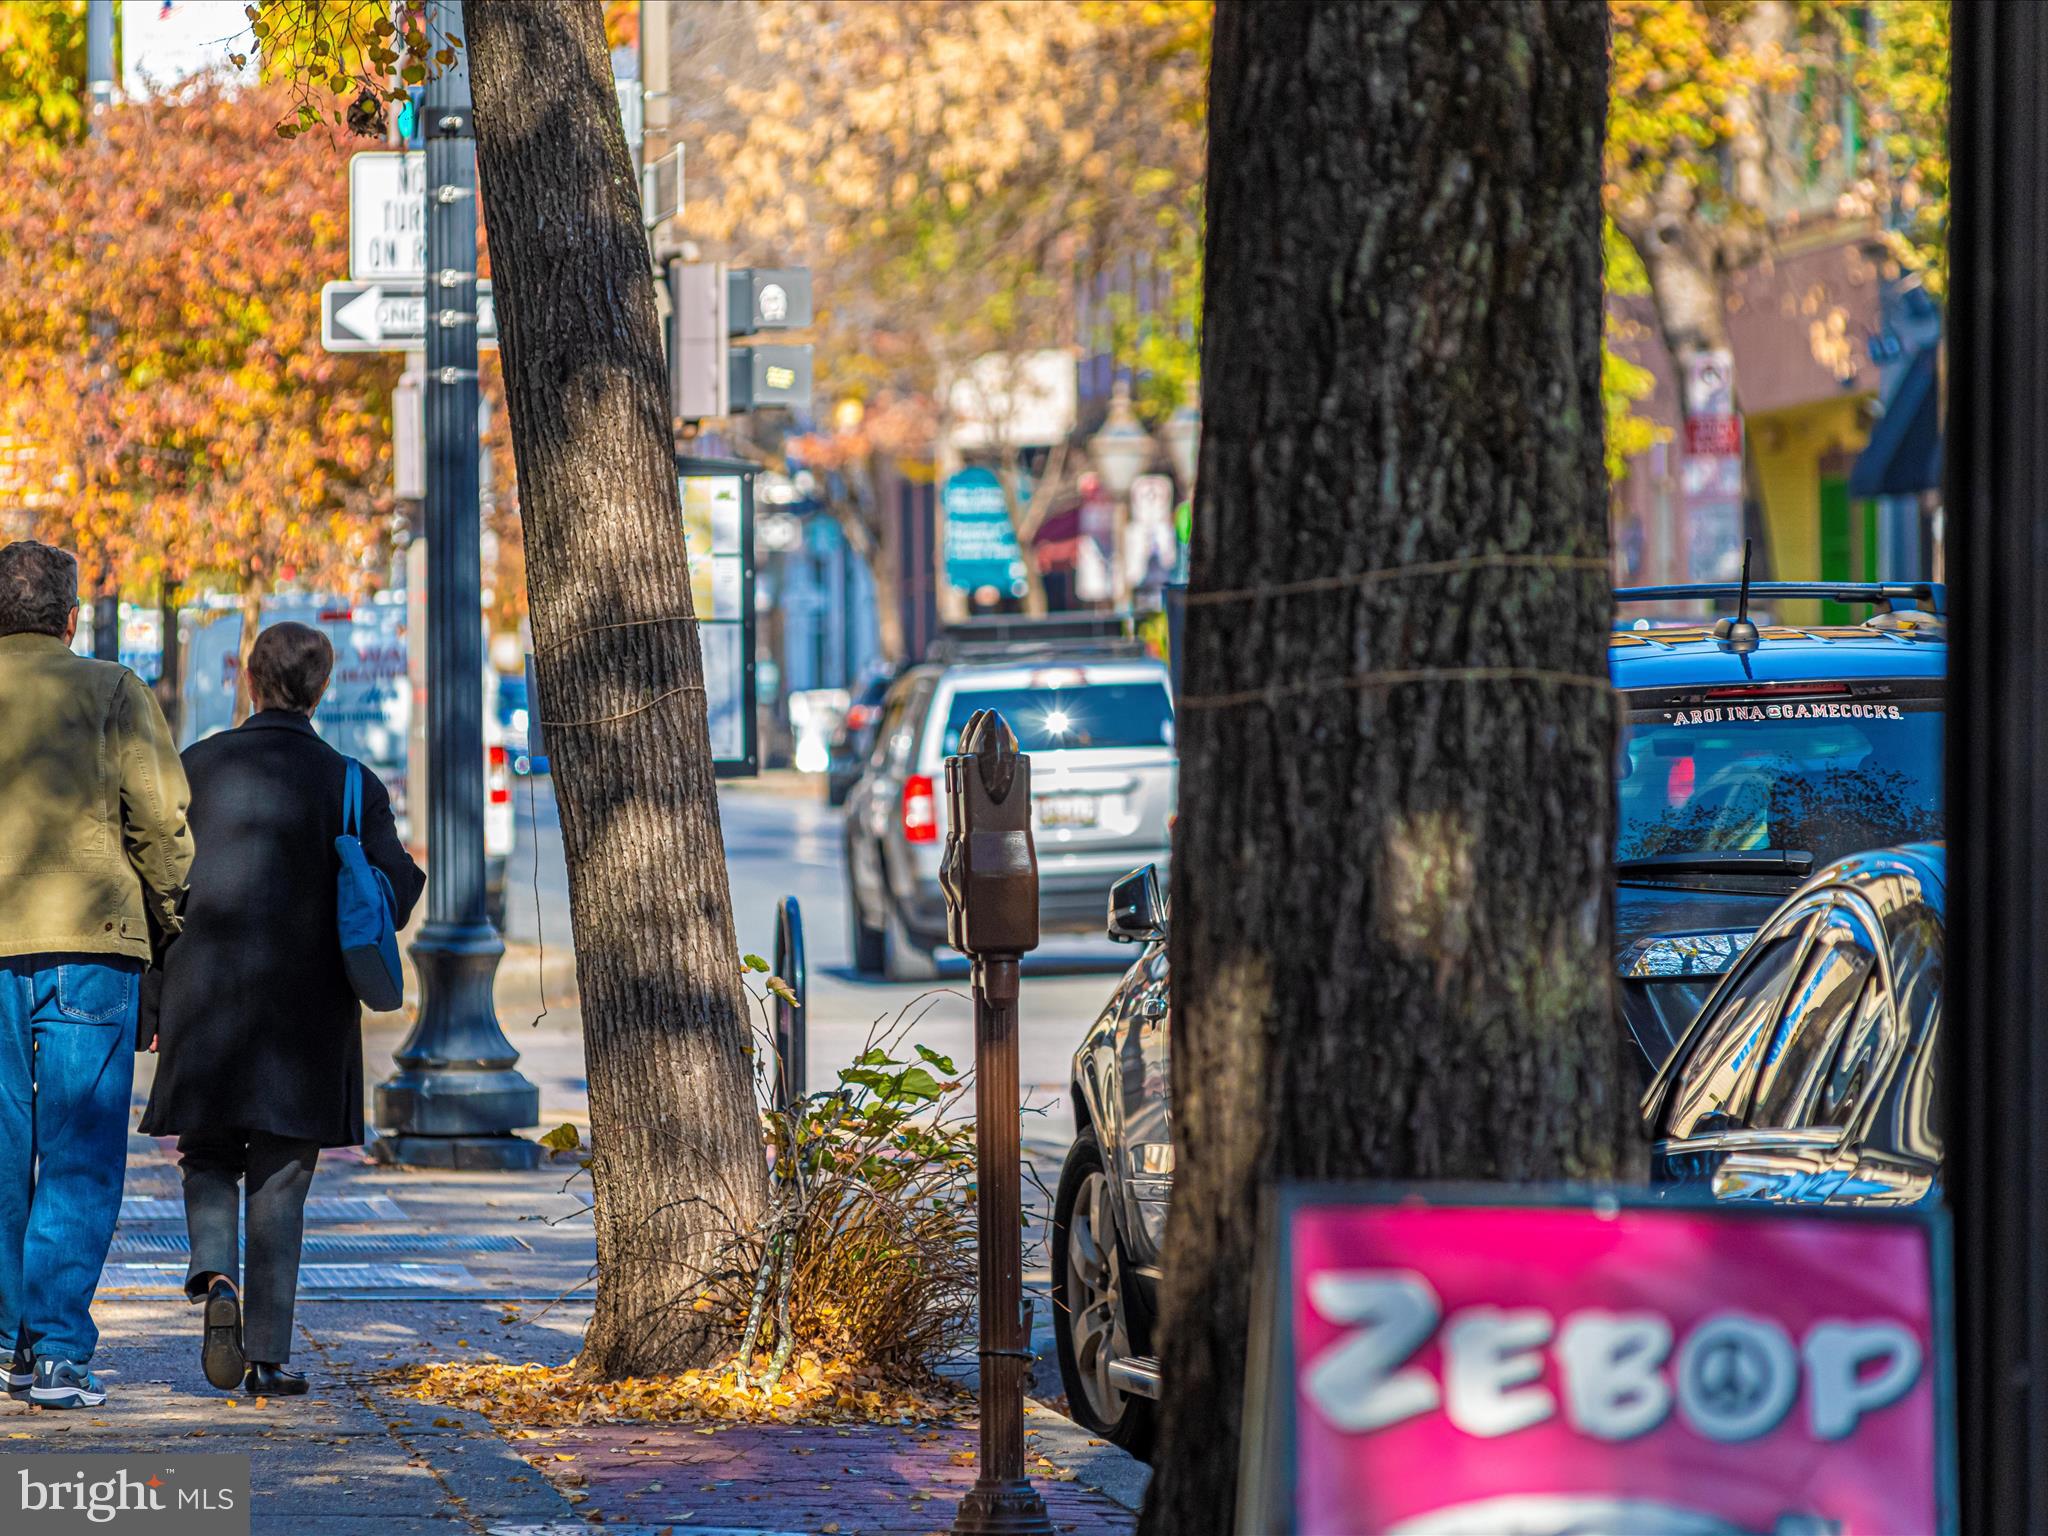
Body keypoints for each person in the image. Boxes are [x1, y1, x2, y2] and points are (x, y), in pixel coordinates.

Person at [140, 622, 422, 1396]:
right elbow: (394, 896)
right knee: (282, 1174)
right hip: (308, 1010)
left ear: (249, 679)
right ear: (320, 689)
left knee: (206, 1151)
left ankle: (213, 1276)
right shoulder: (353, 784)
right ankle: (268, 1354)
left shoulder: (195, 766)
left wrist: (154, 999)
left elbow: (158, 890)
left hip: (206, 994)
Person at [0, 541, 193, 1411]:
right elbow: (159, 825)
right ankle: (61, 1356)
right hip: (91, 939)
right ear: (71, 618)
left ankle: (6, 1338)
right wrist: (170, 919)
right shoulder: (113, 691)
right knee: (79, 1153)